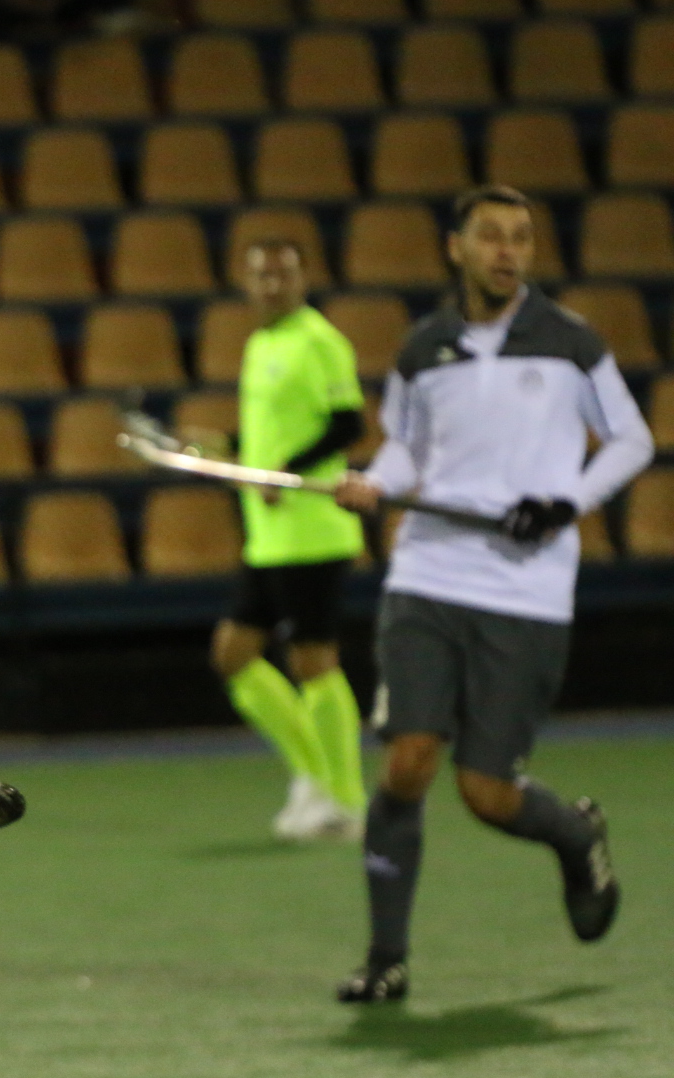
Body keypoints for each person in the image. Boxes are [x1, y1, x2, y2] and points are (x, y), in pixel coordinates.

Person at [332, 186, 654, 1003]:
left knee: (486, 794)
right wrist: (376, 482)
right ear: (457, 247)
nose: (508, 251)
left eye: (521, 237)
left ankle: (575, 836)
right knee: (409, 761)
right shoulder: (424, 348)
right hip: (428, 576)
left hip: (526, 590)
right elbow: (407, 451)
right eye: (492, 236)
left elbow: (633, 440)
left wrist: (564, 503)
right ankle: (385, 958)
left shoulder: (571, 342)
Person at [209, 239, 369, 841]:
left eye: (283, 273)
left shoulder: (321, 340)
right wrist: (232, 450)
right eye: (262, 275)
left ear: (303, 278)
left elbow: (348, 423)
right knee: (233, 656)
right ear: (247, 283)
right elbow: (274, 431)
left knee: (313, 662)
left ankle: (347, 802)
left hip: (314, 531)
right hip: (268, 538)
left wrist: (287, 473)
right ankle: (312, 776)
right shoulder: (260, 344)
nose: (272, 284)